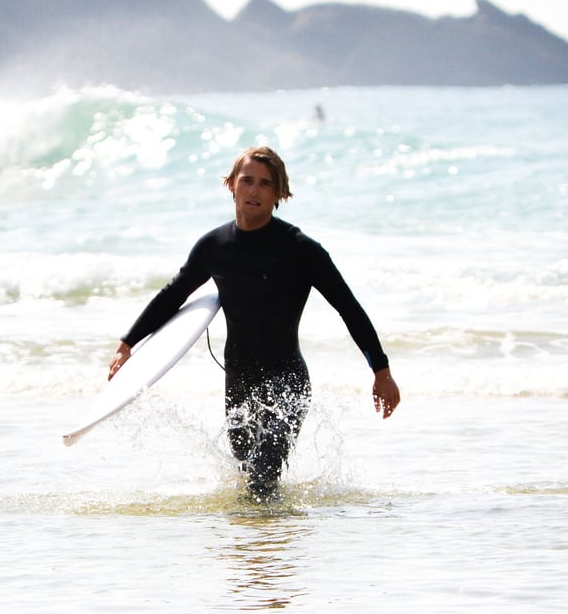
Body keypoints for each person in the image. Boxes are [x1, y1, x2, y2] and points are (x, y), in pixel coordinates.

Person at [108, 146, 400, 498]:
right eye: (246, 181)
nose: (254, 190)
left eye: (265, 184)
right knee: (251, 480)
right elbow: (173, 295)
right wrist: (127, 345)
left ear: (280, 194)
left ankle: (263, 548)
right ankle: (257, 544)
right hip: (238, 383)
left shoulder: (301, 249)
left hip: (287, 382)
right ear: (231, 185)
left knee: (262, 478)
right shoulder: (213, 246)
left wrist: (380, 371)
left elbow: (348, 308)